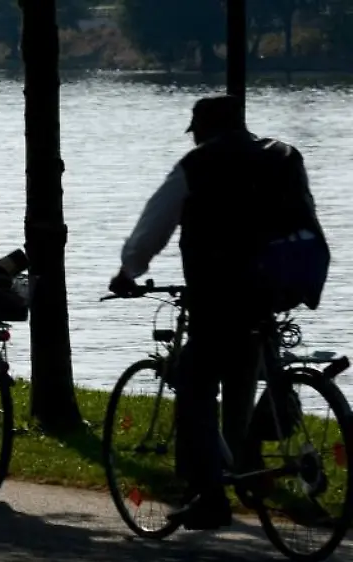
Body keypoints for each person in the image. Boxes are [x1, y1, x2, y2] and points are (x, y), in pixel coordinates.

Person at [108, 94, 324, 530]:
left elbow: (154, 226)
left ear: (204, 128)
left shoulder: (198, 164)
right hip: (286, 280)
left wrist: (128, 271)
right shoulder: (283, 154)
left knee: (194, 385)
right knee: (247, 356)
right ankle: (250, 457)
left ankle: (210, 497)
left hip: (224, 289)